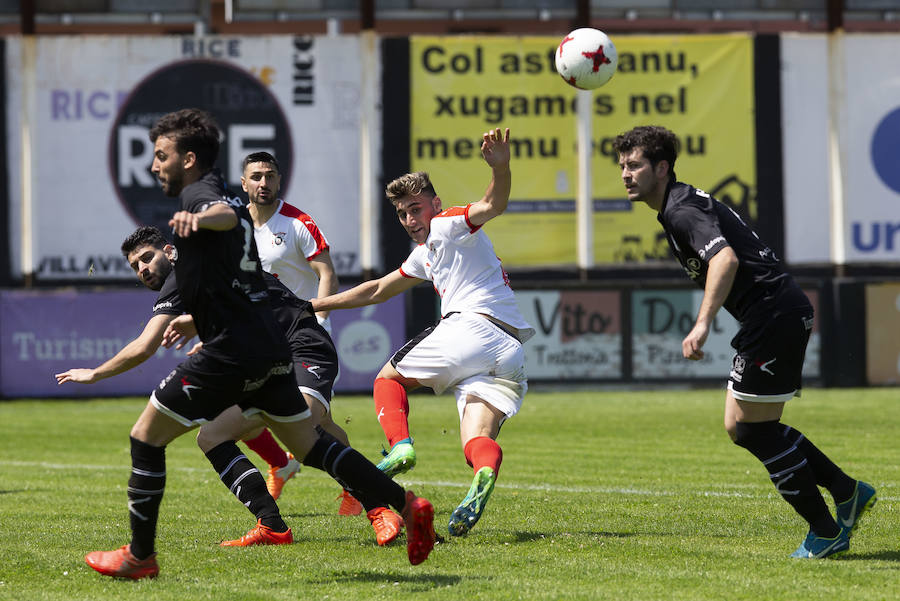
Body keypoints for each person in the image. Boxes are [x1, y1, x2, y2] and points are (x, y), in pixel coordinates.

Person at [81, 108, 434, 580]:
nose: (153, 166)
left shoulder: (204, 198)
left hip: (237, 351)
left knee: (145, 436)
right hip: (268, 348)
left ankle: (140, 556)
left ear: (188, 159)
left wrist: (199, 220)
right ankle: (407, 506)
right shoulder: (230, 199)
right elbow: (231, 254)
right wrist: (195, 317)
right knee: (308, 444)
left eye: (160, 155)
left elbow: (221, 219)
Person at [612, 124, 876, 559]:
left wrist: (701, 324)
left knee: (751, 429)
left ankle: (826, 530)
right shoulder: (679, 204)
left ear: (662, 167)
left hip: (773, 316)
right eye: (622, 165)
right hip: (775, 314)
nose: (625, 174)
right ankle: (847, 492)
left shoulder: (680, 211)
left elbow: (725, 259)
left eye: (635, 165)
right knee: (743, 426)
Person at [58, 225, 404, 547]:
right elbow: (232, 306)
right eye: (136, 266)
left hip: (300, 342)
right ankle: (272, 525)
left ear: (169, 250)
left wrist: (95, 373)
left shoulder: (184, 273)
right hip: (263, 357)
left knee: (307, 426)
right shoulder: (202, 270)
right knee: (212, 436)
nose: (143, 269)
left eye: (147, 258)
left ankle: (384, 508)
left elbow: (146, 345)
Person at [311, 127, 534, 537]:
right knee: (475, 440)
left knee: (387, 379)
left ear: (436, 204)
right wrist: (315, 304)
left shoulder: (449, 225)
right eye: (402, 213)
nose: (411, 220)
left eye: (417, 209)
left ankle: (400, 445)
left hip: (472, 327)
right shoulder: (425, 252)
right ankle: (484, 474)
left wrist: (500, 168)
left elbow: (492, 203)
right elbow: (378, 289)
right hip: (510, 351)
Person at [240, 151, 361, 515]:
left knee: (313, 422)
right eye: (256, 176)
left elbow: (327, 274)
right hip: (259, 338)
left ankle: (358, 486)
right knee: (236, 410)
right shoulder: (236, 227)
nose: (264, 183)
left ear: (279, 180)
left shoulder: (297, 223)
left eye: (270, 176)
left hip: (304, 337)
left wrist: (318, 317)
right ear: (244, 183)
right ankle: (281, 463)